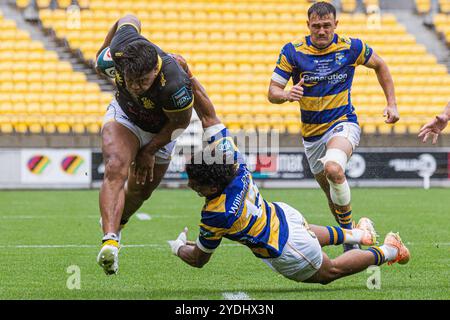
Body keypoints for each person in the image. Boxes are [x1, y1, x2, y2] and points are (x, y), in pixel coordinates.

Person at [168, 56, 410, 284]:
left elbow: (198, 259)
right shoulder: (235, 163)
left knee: (330, 271)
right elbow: (209, 116)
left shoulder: (215, 214)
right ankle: (358, 236)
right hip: (281, 215)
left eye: (195, 183)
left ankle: (390, 250)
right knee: (308, 232)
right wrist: (188, 74)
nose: (191, 185)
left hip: (284, 245)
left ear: (212, 186)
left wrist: (178, 247)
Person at [267, 2, 399, 251]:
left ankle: (351, 238)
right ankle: (351, 235)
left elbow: (380, 65)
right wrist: (286, 94)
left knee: (334, 168)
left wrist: (391, 104)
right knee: (331, 193)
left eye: (327, 26)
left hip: (342, 123)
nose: (321, 31)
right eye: (316, 26)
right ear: (308, 26)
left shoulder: (351, 47)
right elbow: (272, 92)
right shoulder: (293, 52)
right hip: (311, 135)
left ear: (336, 25)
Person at [95, 15, 194, 275]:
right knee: (115, 167)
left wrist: (149, 150)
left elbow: (180, 125)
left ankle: (120, 221)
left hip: (163, 130)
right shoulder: (119, 50)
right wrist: (101, 53)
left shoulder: (175, 83)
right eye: (131, 81)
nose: (137, 88)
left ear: (155, 71)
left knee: (141, 191)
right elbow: (127, 18)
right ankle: (110, 240)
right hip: (125, 116)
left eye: (144, 82)